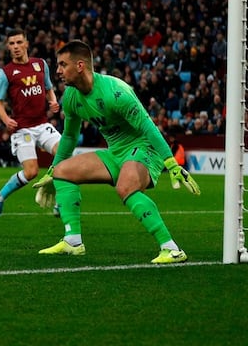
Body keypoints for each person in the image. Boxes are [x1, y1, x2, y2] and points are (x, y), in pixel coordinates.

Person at [32, 40, 199, 264]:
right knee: (62, 171)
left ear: (80, 66)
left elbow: (148, 127)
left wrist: (171, 163)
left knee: (125, 187)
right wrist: (52, 171)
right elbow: (70, 137)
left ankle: (171, 248)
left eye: (62, 65)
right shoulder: (71, 97)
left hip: (144, 148)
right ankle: (73, 242)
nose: (58, 71)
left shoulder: (115, 92)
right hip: (116, 152)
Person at [0, 28, 60, 216]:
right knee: (31, 172)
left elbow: (48, 88)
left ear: (27, 44)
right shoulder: (6, 73)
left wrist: (52, 101)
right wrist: (6, 118)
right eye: (12, 44)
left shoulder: (40, 64)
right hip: (22, 129)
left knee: (64, 154)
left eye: (19, 42)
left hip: (43, 124)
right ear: (8, 47)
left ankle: (60, 202)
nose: (16, 47)